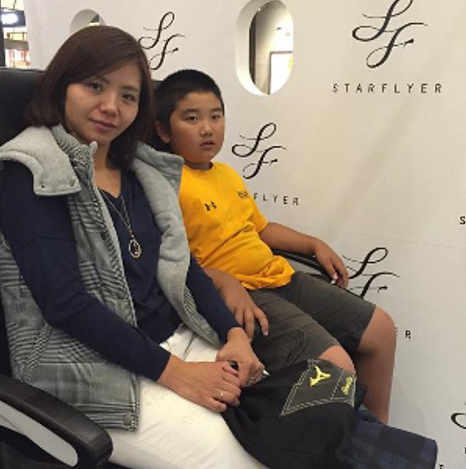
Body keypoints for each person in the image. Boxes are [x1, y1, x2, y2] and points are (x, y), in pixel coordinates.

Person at [0, 26, 269, 469]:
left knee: (280, 436)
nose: (111, 106)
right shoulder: (33, 169)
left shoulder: (140, 170)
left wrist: (233, 334)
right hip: (92, 370)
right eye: (95, 86)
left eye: (128, 96)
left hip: (178, 340)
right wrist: (179, 375)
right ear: (62, 86)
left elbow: (183, 264)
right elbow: (65, 303)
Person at [154, 69, 397, 424]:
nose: (207, 128)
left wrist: (313, 243)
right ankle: (345, 446)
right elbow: (167, 262)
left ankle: (381, 437)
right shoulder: (164, 183)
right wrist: (225, 282)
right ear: (163, 130)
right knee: (336, 368)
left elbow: (262, 228)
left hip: (279, 277)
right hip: (242, 296)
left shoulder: (226, 174)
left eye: (216, 116)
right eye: (192, 119)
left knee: (381, 330)